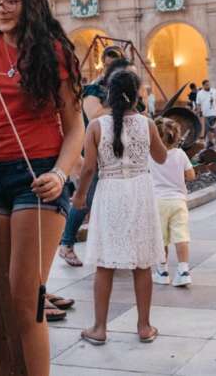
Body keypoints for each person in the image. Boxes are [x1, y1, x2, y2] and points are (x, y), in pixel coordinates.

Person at [0, 0, 84, 376]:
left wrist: (60, 174)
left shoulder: (53, 51)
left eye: (11, 0)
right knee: (0, 301)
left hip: (37, 178)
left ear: (29, 1)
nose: (0, 8)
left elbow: (76, 129)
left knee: (25, 300)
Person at [74, 68, 166, 345]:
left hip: (110, 192)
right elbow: (161, 157)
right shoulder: (146, 124)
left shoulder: (96, 126)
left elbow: (88, 168)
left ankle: (100, 328)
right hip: (140, 191)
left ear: (109, 94)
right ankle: (144, 326)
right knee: (142, 263)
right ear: (137, 94)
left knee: (105, 263)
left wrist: (79, 197)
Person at [58, 50, 129, 268]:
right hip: (95, 151)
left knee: (114, 200)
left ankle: (113, 247)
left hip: (119, 151)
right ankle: (66, 243)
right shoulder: (95, 90)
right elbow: (93, 116)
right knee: (86, 198)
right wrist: (119, 101)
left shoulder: (124, 92)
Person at [150, 117, 195, 287]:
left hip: (158, 202)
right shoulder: (180, 154)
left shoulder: (150, 155)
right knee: (181, 236)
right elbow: (191, 175)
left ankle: (162, 271)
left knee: (161, 239)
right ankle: (183, 271)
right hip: (178, 201)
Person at [196, 79, 216, 143]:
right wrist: (199, 112)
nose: (208, 86)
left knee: (215, 127)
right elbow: (198, 104)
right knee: (208, 129)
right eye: (206, 85)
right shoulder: (200, 93)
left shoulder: (214, 91)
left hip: (214, 113)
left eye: (209, 84)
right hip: (205, 114)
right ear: (203, 86)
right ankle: (210, 141)